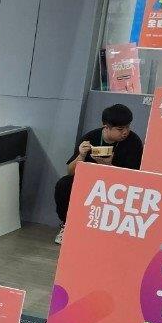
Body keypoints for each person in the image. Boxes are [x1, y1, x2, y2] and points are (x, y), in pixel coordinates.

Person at [54, 103, 143, 245]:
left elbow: (133, 178)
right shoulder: (90, 138)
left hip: (118, 187)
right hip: (90, 183)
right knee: (64, 184)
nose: (125, 132)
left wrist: (107, 166)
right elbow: (70, 171)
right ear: (106, 127)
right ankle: (67, 224)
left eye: (128, 127)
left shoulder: (134, 142)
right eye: (120, 129)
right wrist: (81, 156)